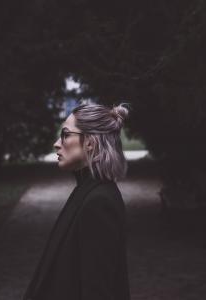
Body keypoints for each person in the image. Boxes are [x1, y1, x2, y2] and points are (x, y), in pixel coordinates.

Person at [23, 102, 132, 300]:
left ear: (90, 142)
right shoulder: (87, 192)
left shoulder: (98, 202)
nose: (57, 143)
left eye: (65, 134)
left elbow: (98, 292)